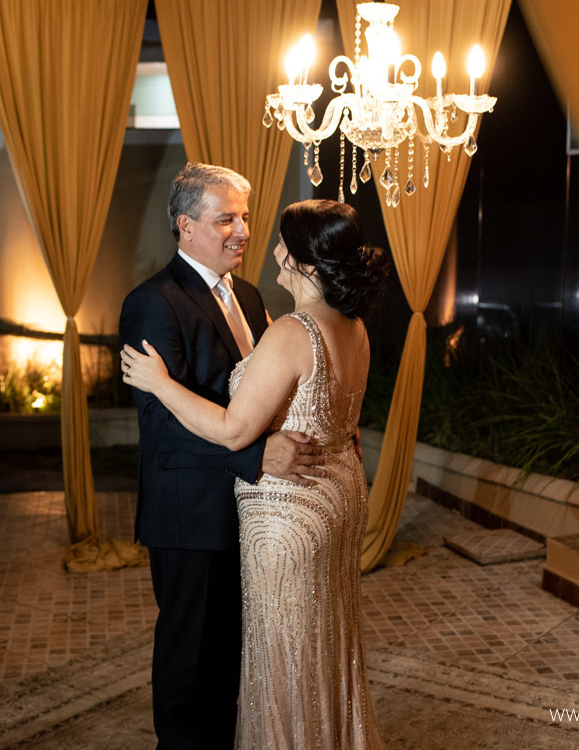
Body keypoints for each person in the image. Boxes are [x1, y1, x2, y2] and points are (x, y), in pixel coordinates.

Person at [122, 199, 391, 750]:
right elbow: (325, 404)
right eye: (228, 219)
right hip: (314, 496)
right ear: (185, 225)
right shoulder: (354, 326)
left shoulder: (281, 320)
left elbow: (233, 429)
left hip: (290, 516)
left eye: (267, 232)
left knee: (286, 649)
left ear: (304, 261)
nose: (252, 237)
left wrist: (158, 382)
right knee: (312, 641)